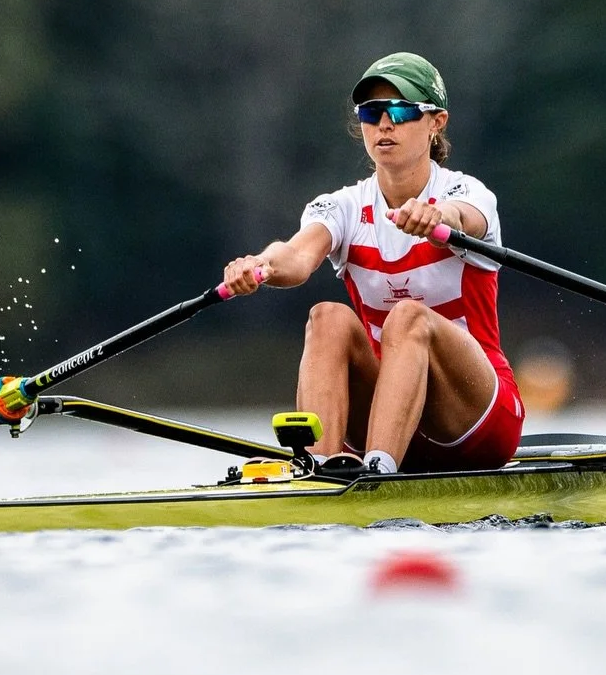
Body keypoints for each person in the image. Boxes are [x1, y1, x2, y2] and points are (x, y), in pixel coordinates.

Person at [222, 52, 524, 476]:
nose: (385, 123)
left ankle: (378, 470)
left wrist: (442, 218)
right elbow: (296, 255)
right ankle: (319, 466)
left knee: (409, 318)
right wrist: (261, 265)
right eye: (372, 112)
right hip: (395, 421)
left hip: (477, 423)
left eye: (400, 110)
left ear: (436, 122)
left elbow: (466, 217)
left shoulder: (465, 191)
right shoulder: (343, 206)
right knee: (326, 316)